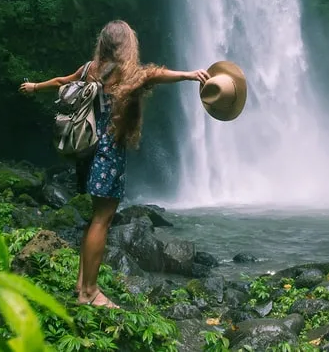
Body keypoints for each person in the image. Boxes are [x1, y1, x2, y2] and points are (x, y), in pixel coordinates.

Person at [19, 20, 208, 308]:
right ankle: (90, 292)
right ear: (125, 45)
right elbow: (156, 74)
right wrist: (189, 75)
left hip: (89, 151)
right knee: (102, 220)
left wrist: (34, 87)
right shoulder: (127, 73)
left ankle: (82, 285)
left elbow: (61, 82)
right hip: (109, 152)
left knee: (96, 218)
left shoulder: (88, 69)